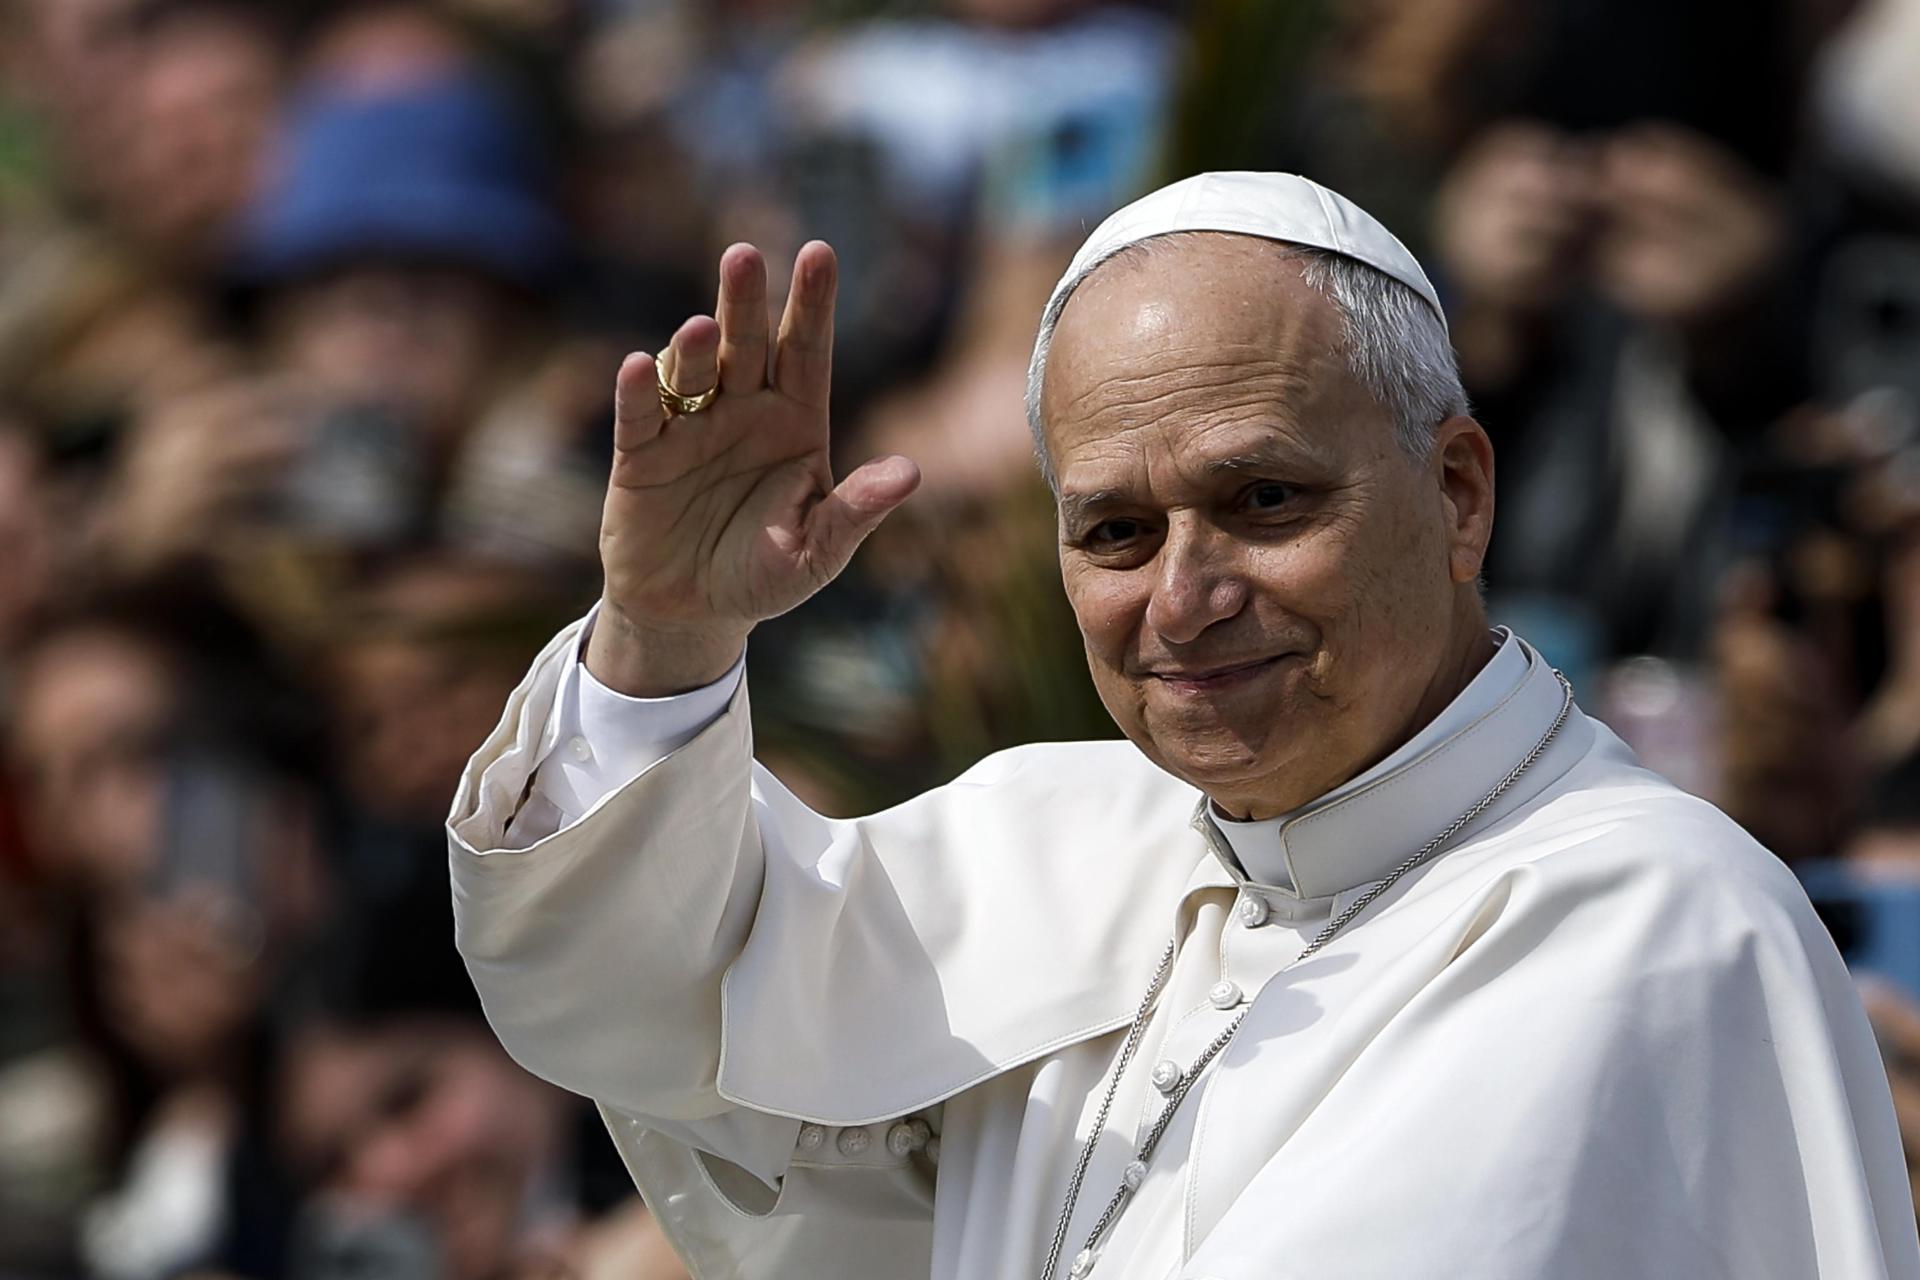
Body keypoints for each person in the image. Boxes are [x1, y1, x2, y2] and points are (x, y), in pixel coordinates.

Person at [448, 173, 1920, 1279]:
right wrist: (669, 638)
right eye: (1116, 531)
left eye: (1266, 501)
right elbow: (642, 1012)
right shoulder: (1063, 841)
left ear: (1459, 493)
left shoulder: (1648, 920)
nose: (1187, 596)